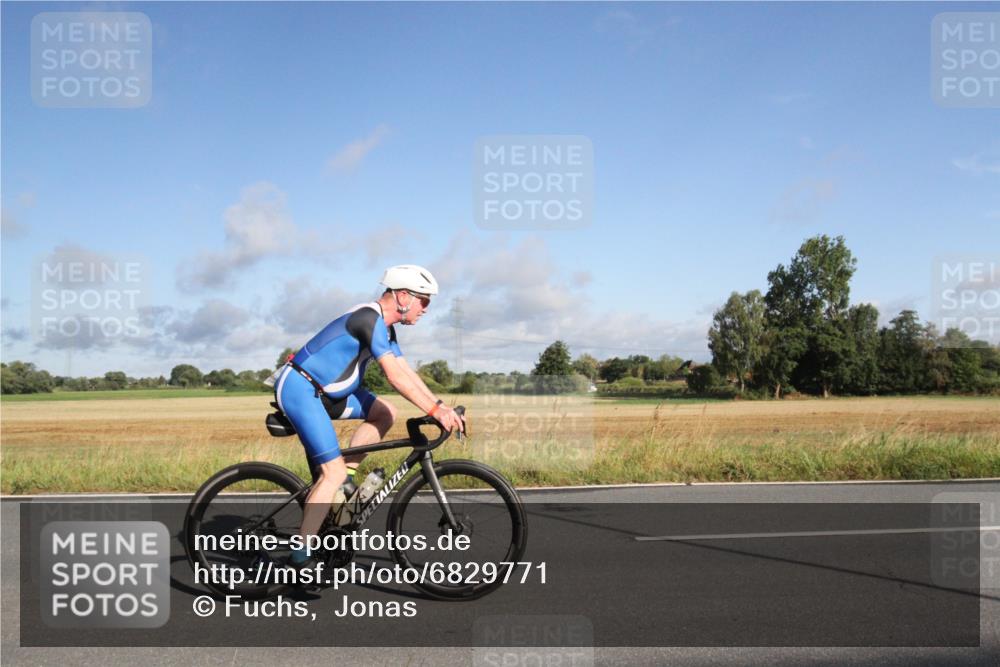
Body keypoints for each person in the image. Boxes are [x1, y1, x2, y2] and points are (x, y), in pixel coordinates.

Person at [273, 265, 464, 566]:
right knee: (330, 472)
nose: (426, 309)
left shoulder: (386, 329)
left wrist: (440, 405)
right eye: (424, 300)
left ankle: (343, 487)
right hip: (301, 390)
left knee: (386, 412)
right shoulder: (369, 319)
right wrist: (434, 411)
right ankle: (300, 557)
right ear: (403, 296)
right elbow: (394, 378)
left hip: (328, 392)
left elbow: (405, 371)